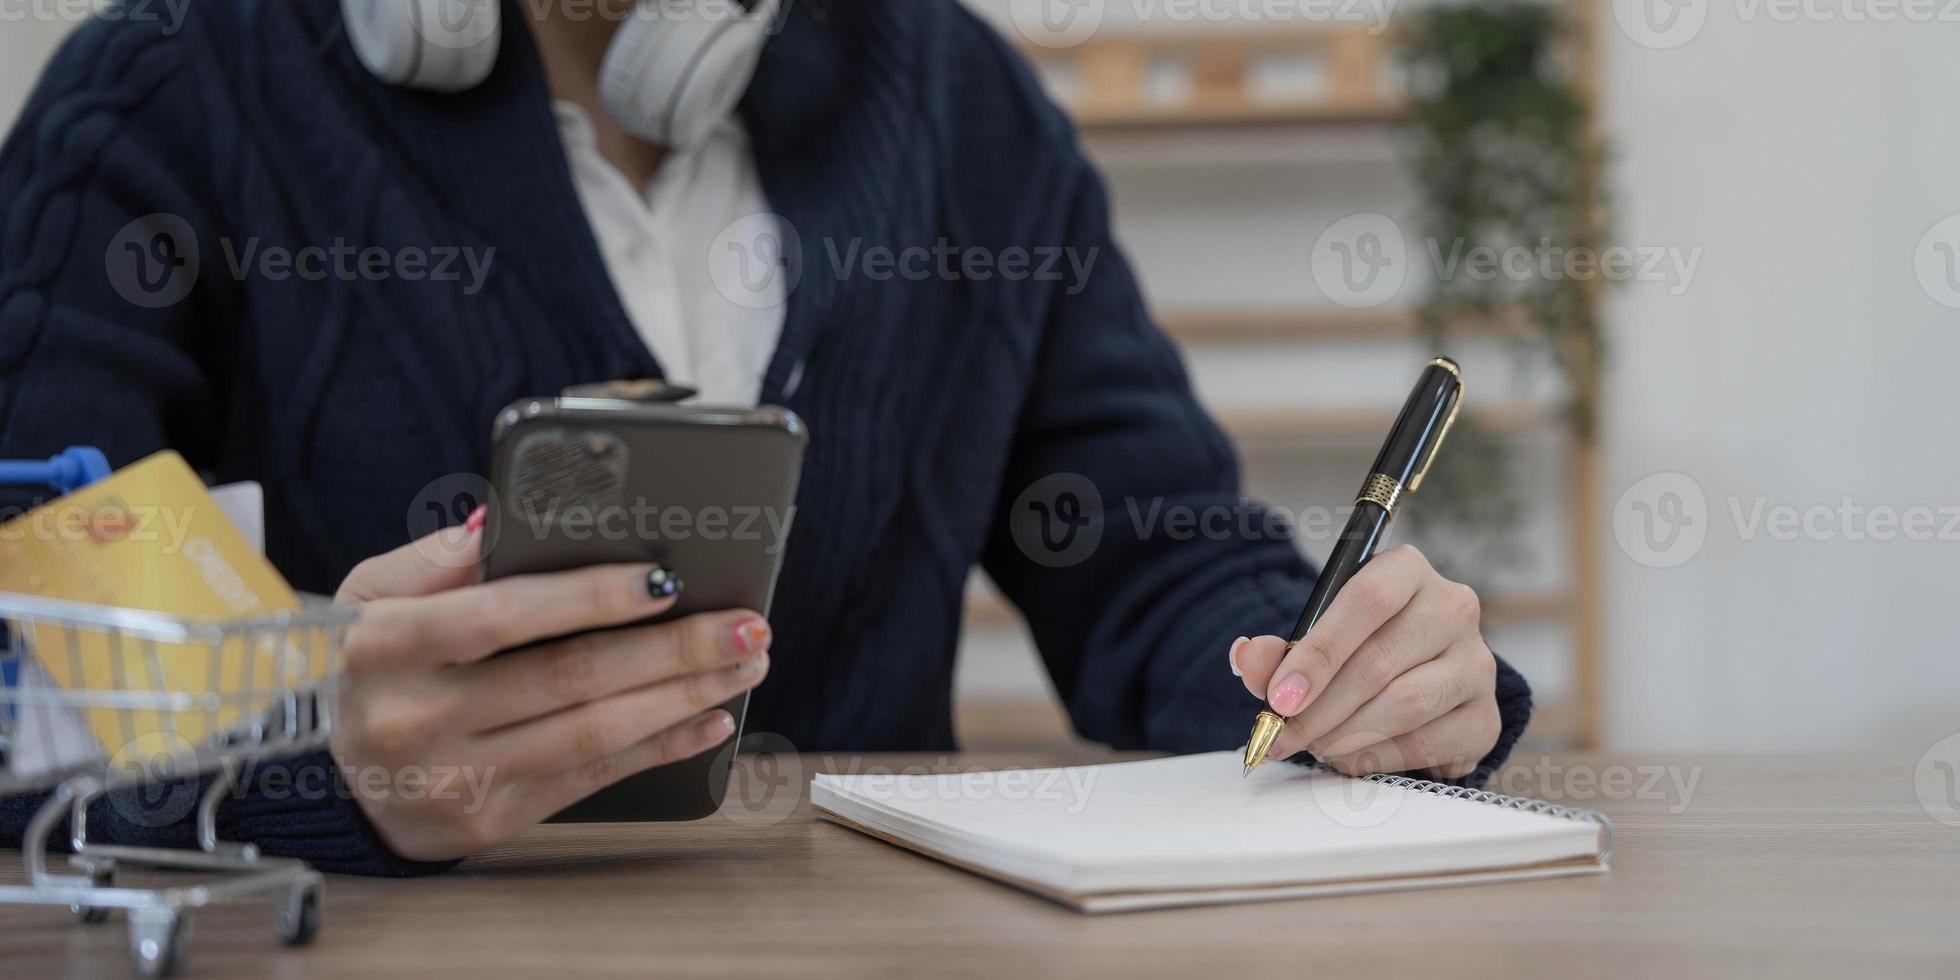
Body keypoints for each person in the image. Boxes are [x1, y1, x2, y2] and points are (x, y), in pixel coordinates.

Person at [0, 0, 1529, 874]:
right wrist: (312, 760)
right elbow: (30, 717)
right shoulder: (165, 96)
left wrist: (1356, 673)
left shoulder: (956, 101)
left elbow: (1157, 569)